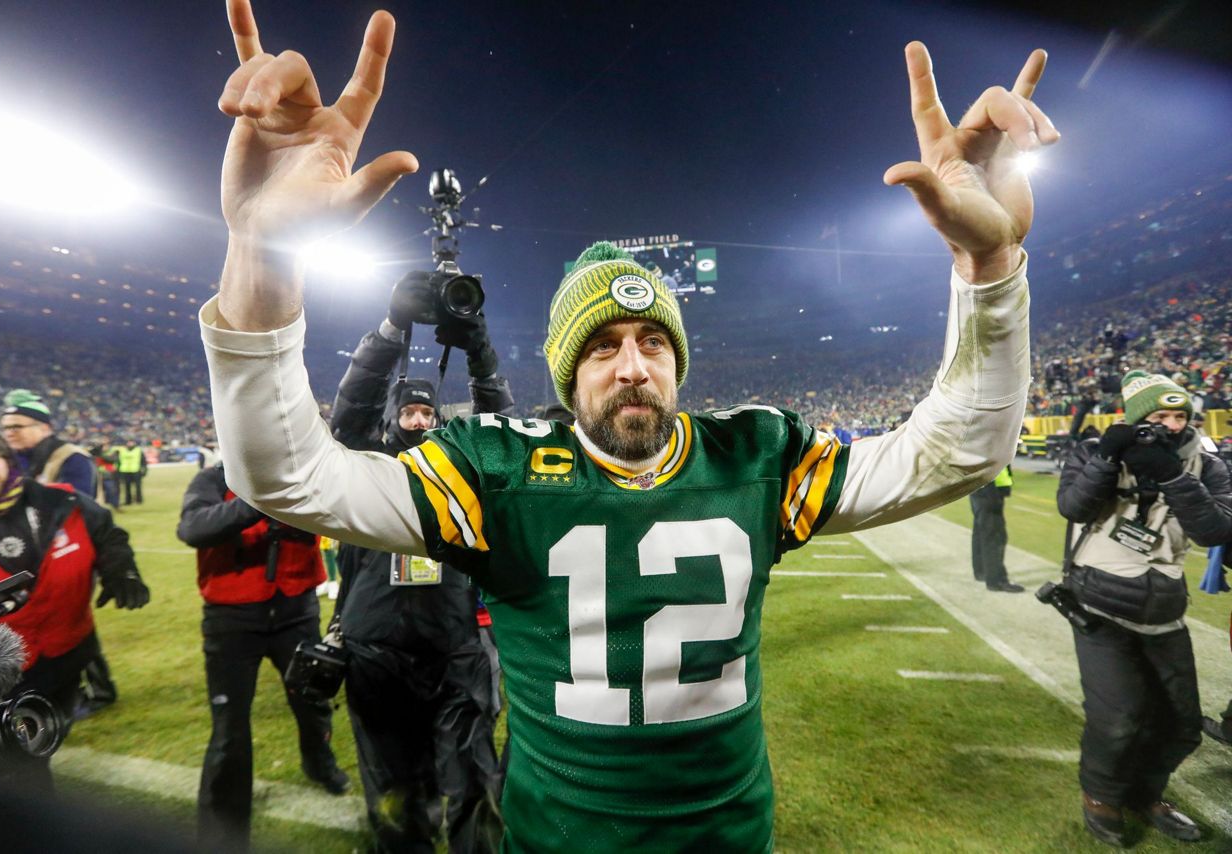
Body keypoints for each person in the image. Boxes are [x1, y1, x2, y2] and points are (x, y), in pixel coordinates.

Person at [201, 4, 1054, 848]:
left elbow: (960, 453)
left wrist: (988, 266)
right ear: (567, 371)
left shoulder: (754, 455)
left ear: (679, 361)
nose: (635, 365)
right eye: (603, 346)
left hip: (727, 838)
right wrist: (261, 254)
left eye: (653, 341)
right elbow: (285, 475)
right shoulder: (493, 472)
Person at [327, 299, 510, 852]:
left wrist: (478, 351)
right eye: (410, 413)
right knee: (394, 790)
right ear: (395, 417)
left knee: (474, 782)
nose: (421, 421)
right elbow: (349, 415)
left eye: (428, 415)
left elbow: (501, 431)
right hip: (377, 652)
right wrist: (390, 331)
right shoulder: (367, 464)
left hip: (457, 648)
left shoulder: (464, 465)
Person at [1056, 370, 1232, 845]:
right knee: (1121, 717)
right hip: (1099, 602)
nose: (1172, 425)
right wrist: (1109, 459)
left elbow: (1216, 530)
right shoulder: (1096, 451)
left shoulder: (1207, 464)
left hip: (1166, 608)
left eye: (1181, 415)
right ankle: (1101, 796)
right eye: (1160, 415)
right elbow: (1073, 506)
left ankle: (1145, 793)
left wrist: (1172, 474)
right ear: (1136, 419)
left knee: (1183, 724)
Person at [0, 425, 149, 790]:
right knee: (6, 771)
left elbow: (107, 533)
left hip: (65, 657)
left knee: (41, 745)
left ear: (8, 461)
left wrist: (121, 569)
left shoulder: (63, 500)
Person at [175, 462, 350, 852]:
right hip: (232, 618)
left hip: (295, 610)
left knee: (312, 700)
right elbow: (193, 529)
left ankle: (319, 762)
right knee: (229, 726)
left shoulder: (302, 472)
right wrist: (257, 504)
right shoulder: (214, 479)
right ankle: (224, 831)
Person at [0, 389, 120, 715]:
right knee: (47, 620)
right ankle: (74, 688)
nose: (10, 432)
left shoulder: (70, 458)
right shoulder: (12, 460)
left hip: (71, 551)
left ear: (43, 427)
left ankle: (96, 690)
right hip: (30, 556)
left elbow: (76, 505)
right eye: (6, 426)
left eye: (18, 425)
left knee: (72, 618)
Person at [969, 463, 1023, 592]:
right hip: (988, 490)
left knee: (981, 530)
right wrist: (992, 494)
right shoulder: (989, 442)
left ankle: (982, 571)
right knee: (995, 535)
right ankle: (997, 580)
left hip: (981, 488)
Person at [116, 438, 146, 505]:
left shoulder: (138, 450)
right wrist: (118, 471)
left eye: (131, 442)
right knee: (127, 487)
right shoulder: (122, 450)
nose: (130, 444)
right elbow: (118, 461)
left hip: (136, 470)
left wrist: (144, 470)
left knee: (138, 487)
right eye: (129, 442)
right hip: (125, 471)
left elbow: (143, 461)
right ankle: (128, 501)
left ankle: (139, 500)